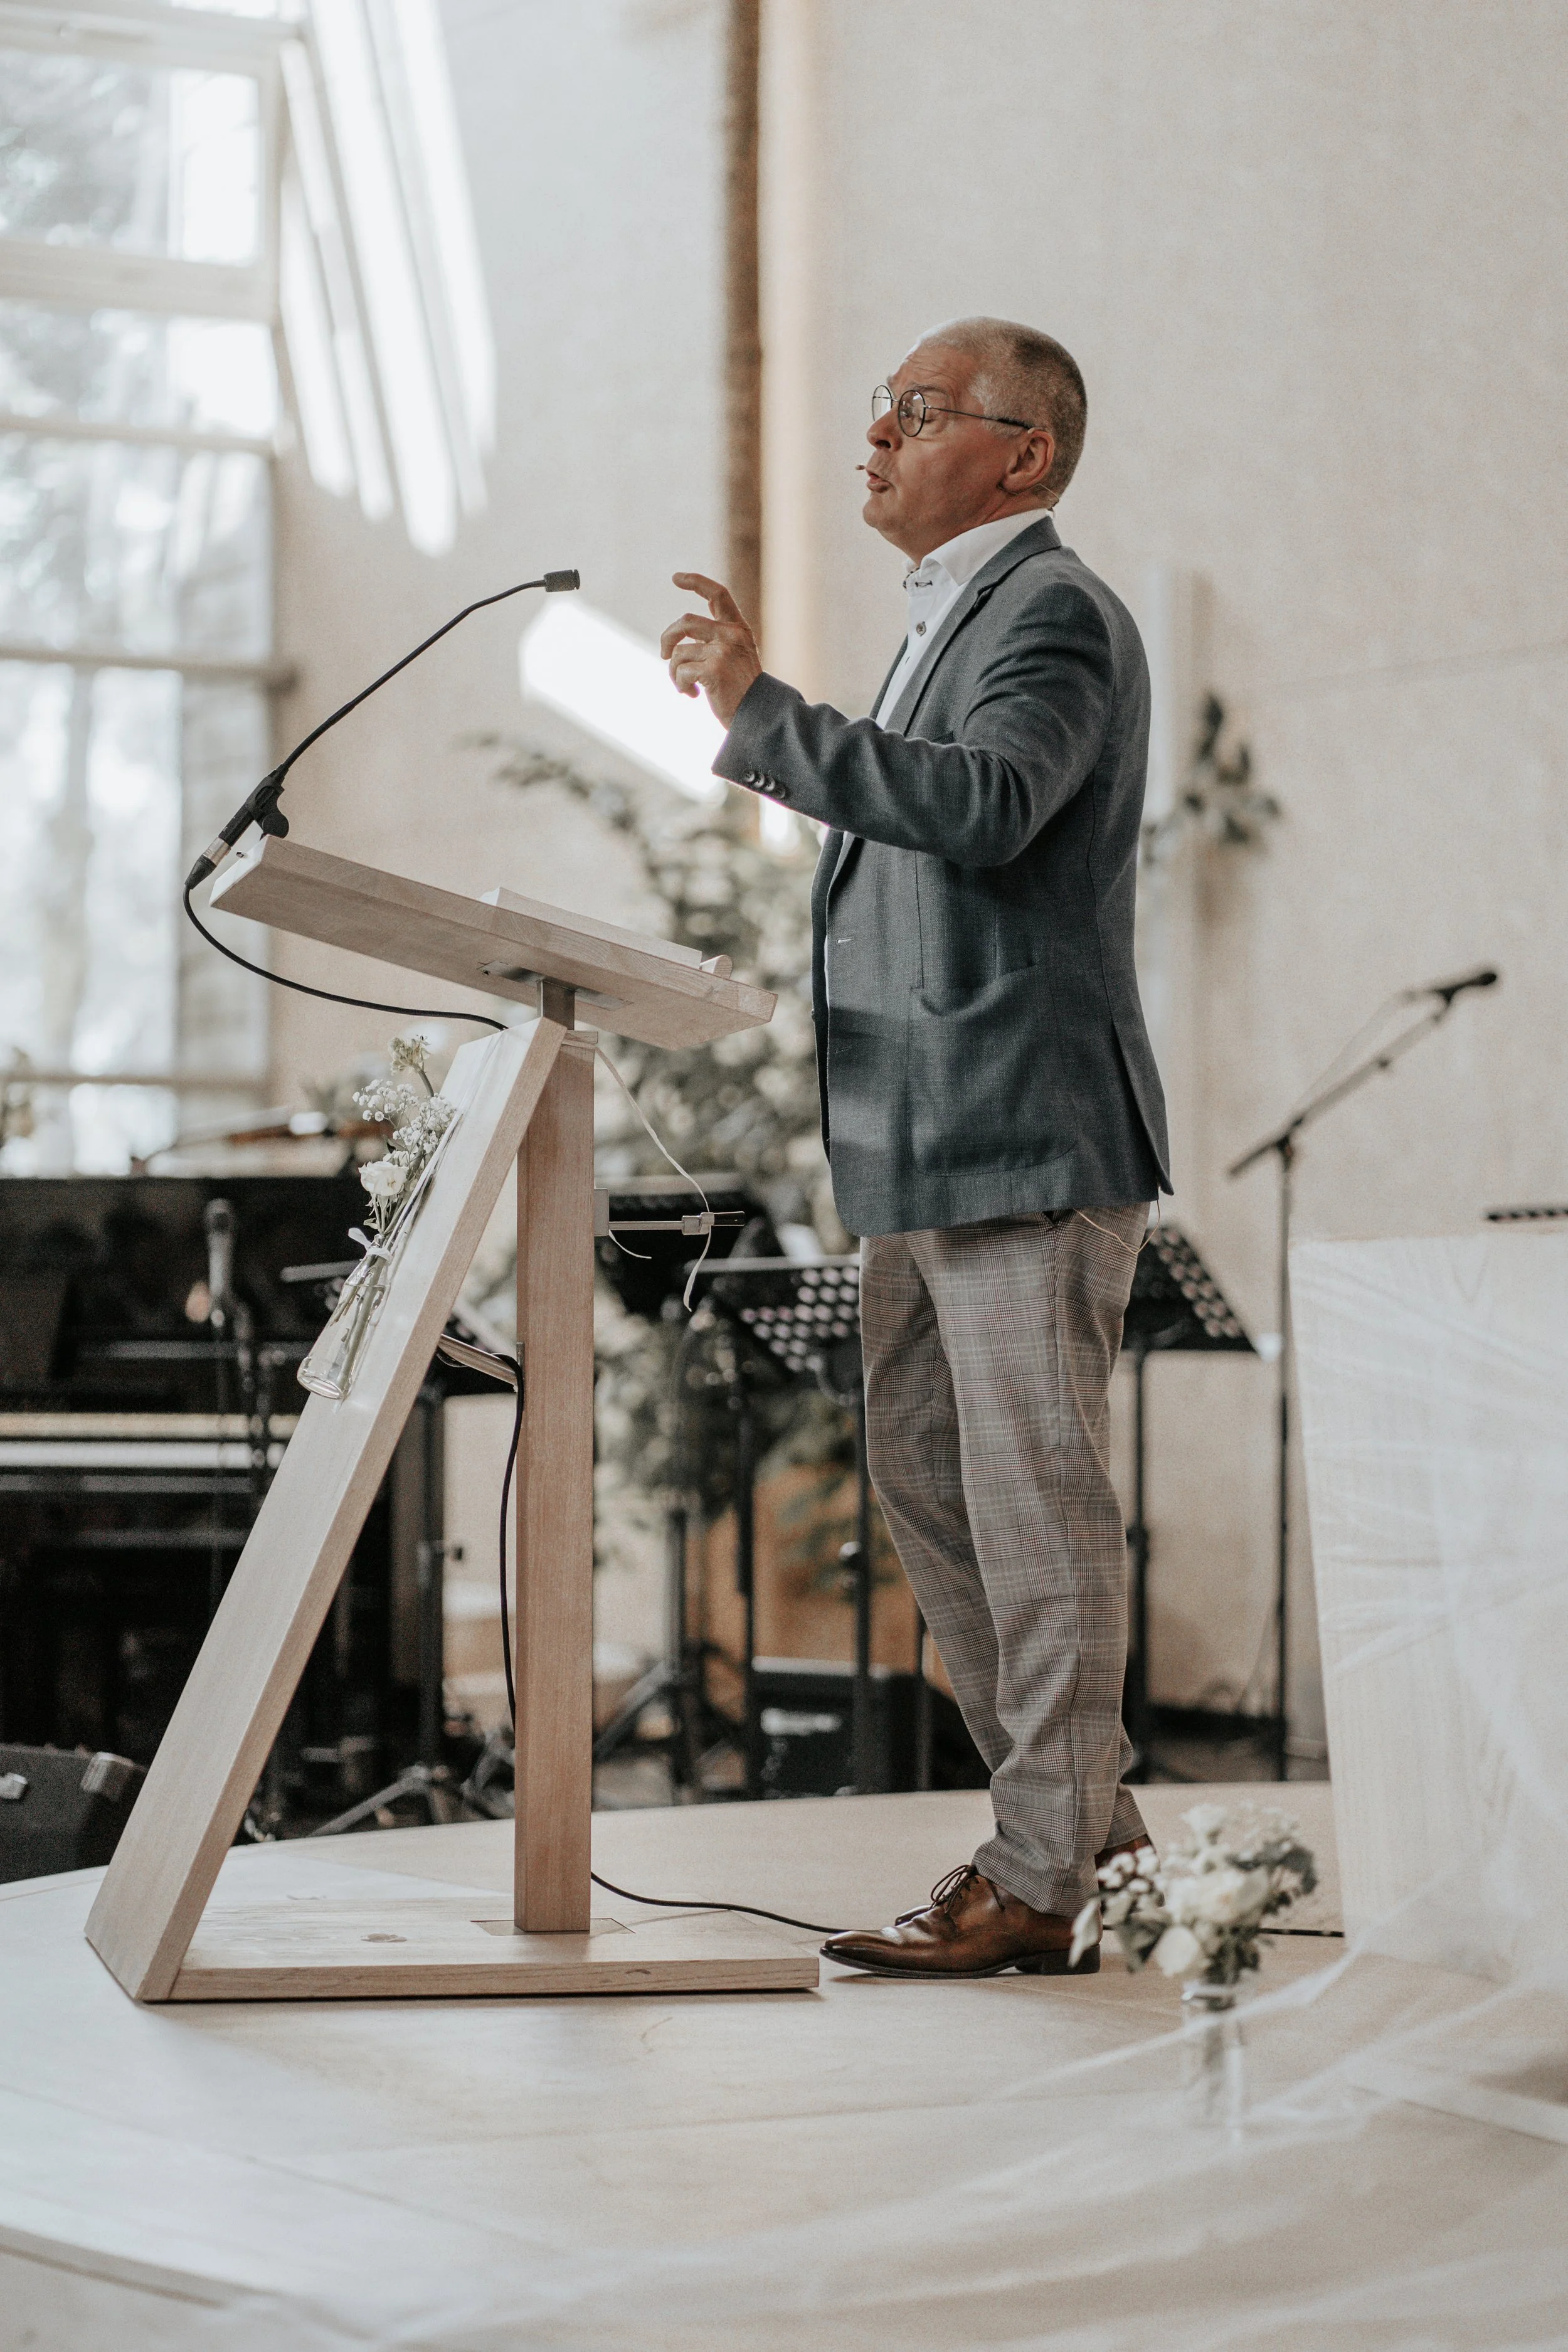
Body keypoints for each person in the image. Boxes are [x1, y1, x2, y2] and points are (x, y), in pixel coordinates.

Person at [662, 317, 1168, 1978]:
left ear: (1025, 453)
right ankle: (1087, 1833)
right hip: (925, 1146)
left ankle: (1040, 1869)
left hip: (1018, 1135)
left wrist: (759, 712)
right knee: (939, 1489)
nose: (875, 435)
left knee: (1034, 1505)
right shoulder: (949, 616)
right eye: (878, 408)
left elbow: (981, 806)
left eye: (917, 410)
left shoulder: (1054, 614)